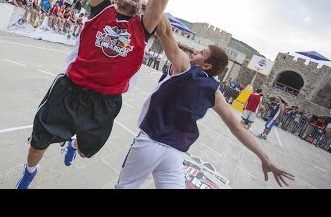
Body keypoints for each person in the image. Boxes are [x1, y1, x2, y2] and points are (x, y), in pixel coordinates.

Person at [15, 0, 185, 189]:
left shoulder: (142, 27)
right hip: (70, 89)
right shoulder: (100, 10)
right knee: (38, 141)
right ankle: (29, 174)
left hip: (105, 103)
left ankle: (73, 143)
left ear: (143, 6)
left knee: (84, 150)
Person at [115, 14, 295, 189]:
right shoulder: (215, 92)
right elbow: (237, 128)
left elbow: (165, 32)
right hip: (174, 153)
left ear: (206, 65)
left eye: (202, 52)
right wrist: (265, 158)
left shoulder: (184, 66)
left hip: (150, 142)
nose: (195, 51)